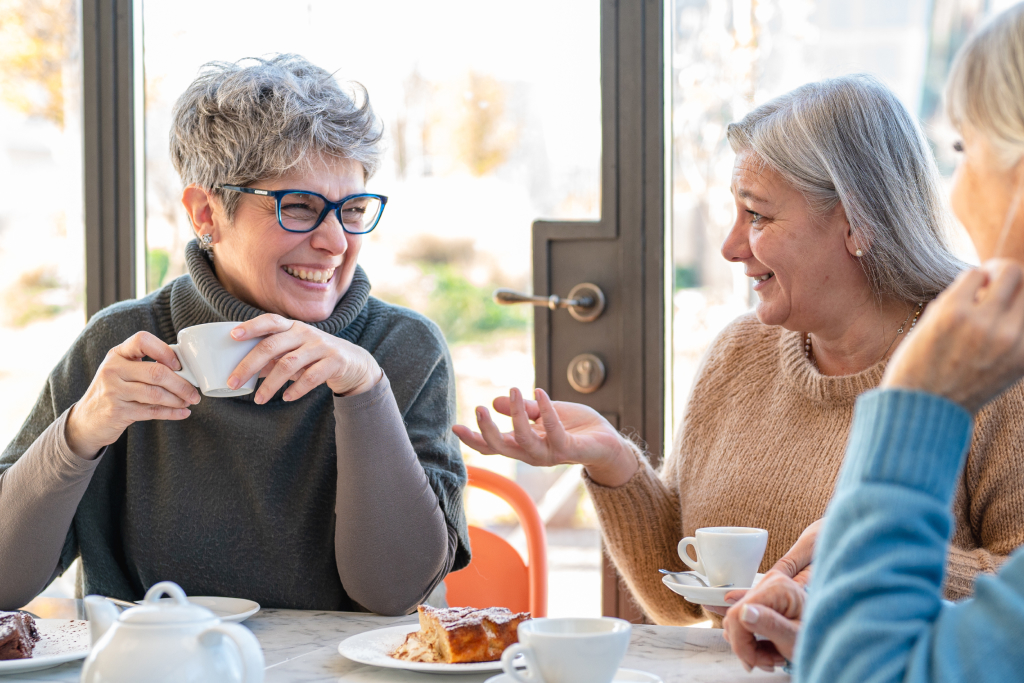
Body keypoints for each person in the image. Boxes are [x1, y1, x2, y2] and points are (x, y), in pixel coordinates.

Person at [454, 74, 1024, 626]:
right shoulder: (741, 352)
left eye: (756, 214)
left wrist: (860, 566)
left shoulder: (991, 361)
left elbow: (1015, 590)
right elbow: (679, 601)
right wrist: (614, 463)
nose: (730, 247)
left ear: (858, 222)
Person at [0, 55, 469, 615]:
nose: (336, 242)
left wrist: (364, 391)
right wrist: (79, 432)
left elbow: (394, 592)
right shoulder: (123, 344)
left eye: (353, 209)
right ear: (205, 213)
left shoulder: (402, 350)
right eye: (299, 207)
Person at [723, 5, 1024, 679]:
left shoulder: (986, 374)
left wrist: (916, 402)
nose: (959, 190)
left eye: (965, 151)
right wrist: (845, 625)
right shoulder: (740, 353)